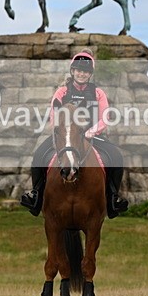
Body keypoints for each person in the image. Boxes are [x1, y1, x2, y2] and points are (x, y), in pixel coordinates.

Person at [21, 49, 128, 219]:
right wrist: (62, 134)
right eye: (78, 70)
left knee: (116, 156)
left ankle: (113, 199)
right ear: (72, 71)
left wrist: (91, 132)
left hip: (91, 135)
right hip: (64, 136)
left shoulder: (98, 93)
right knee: (39, 155)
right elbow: (53, 117)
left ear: (90, 74)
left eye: (85, 71)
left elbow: (105, 118)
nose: (81, 74)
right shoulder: (62, 92)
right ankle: (36, 195)